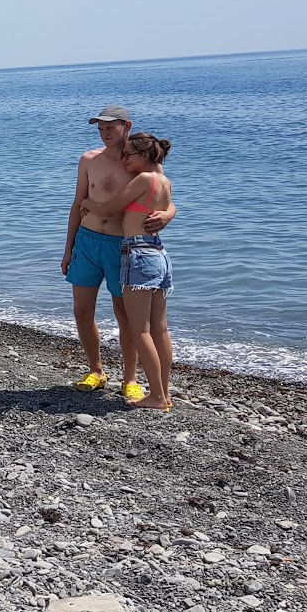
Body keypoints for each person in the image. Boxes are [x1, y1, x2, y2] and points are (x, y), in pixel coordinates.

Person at [62, 106, 176, 401]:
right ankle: (96, 370)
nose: (104, 133)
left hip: (121, 246)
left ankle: (130, 378)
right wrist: (68, 247)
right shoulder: (89, 160)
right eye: (100, 128)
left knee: (126, 315)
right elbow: (77, 204)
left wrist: (169, 216)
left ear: (127, 126)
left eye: (110, 127)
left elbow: (165, 197)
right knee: (81, 311)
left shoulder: (140, 161)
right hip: (87, 242)